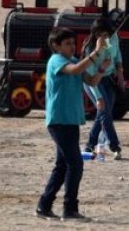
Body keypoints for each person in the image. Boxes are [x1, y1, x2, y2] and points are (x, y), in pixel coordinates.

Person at [36, 26, 110, 221]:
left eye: (73, 43)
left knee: (62, 166)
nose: (72, 47)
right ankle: (69, 209)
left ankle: (44, 206)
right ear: (55, 45)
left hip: (71, 120)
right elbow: (75, 70)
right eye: (67, 44)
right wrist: (96, 52)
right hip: (59, 121)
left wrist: (102, 67)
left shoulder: (75, 60)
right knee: (75, 164)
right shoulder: (56, 61)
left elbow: (91, 81)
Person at [83, 19, 126, 161]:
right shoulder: (91, 50)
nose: (105, 38)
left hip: (109, 80)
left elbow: (117, 52)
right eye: (100, 35)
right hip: (94, 82)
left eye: (107, 34)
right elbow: (90, 77)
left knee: (103, 114)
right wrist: (98, 97)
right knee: (105, 113)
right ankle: (115, 146)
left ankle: (89, 146)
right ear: (95, 35)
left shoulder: (113, 38)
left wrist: (120, 71)